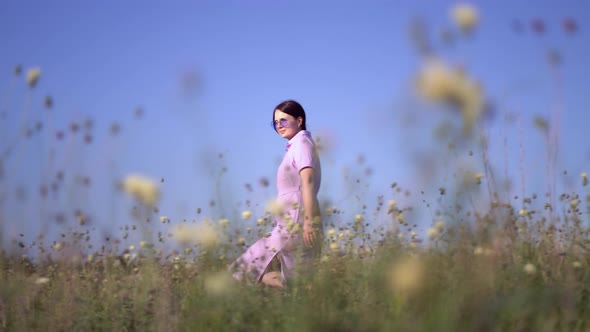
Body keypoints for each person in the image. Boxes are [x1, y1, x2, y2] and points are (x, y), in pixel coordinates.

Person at [229, 100, 323, 288]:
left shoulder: (302, 144)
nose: (279, 126)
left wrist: (308, 222)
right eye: (275, 123)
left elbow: (308, 181)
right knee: (298, 282)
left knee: (243, 268)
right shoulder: (296, 146)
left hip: (297, 220)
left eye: (284, 121)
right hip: (290, 220)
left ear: (299, 120)